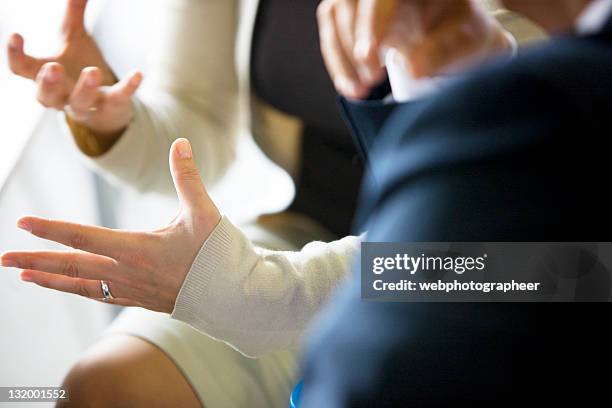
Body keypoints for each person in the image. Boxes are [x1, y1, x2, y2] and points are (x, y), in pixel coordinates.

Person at [3, 0, 540, 406]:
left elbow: (545, 259)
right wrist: (108, 117)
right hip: (319, 228)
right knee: (105, 388)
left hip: (498, 260)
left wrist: (258, 295)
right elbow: (196, 122)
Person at [300, 0, 612, 406]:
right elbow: (577, 275)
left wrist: (258, 288)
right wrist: (456, 75)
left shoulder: (548, 101)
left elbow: (369, 375)